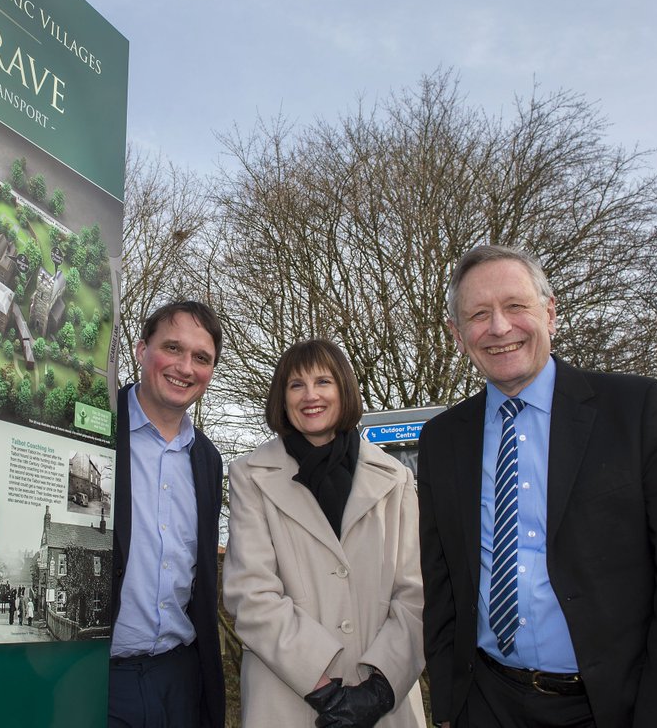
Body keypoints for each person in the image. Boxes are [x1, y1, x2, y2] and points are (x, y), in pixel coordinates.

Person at [417, 245, 657, 728]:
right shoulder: (442, 440)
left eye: (515, 306)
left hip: (614, 706)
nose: (499, 327)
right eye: (479, 315)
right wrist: (452, 706)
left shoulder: (638, 410)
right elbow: (442, 586)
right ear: (458, 336)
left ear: (550, 312)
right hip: (486, 704)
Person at [224, 338, 426, 728]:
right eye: (296, 385)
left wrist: (379, 691)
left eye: (323, 382)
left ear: (344, 390)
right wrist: (326, 692)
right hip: (288, 699)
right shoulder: (249, 476)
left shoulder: (396, 478)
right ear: (282, 399)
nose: (310, 395)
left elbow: (416, 594)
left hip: (385, 704)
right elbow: (251, 595)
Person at [109, 301, 226, 728]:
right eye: (172, 348)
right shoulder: (95, 427)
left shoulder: (208, 459)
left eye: (201, 358)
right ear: (141, 350)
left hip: (181, 679)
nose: (185, 367)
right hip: (97, 677)